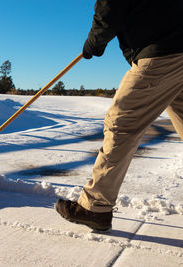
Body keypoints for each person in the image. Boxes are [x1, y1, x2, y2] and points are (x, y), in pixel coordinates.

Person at [55, 0, 183, 231]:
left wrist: (93, 44)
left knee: (121, 125)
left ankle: (95, 207)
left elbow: (110, 8)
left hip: (161, 53)